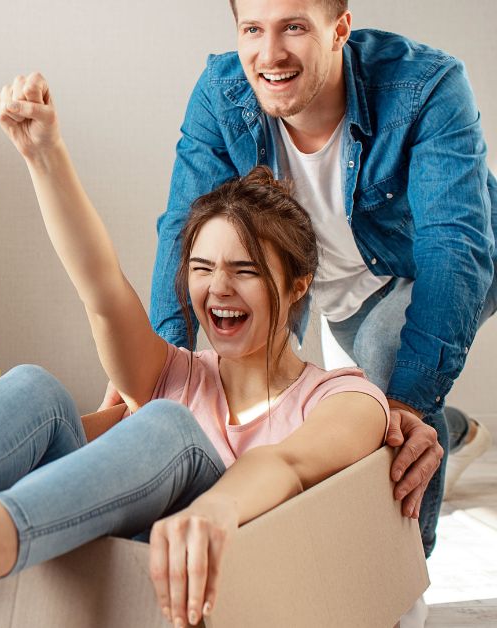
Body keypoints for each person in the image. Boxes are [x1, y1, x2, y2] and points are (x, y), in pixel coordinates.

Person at [0, 73, 391, 628]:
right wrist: (43, 154)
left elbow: (289, 462)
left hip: (213, 587)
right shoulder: (173, 373)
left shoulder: (344, 398)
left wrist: (217, 506)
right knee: (36, 389)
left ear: (297, 285)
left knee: (166, 423)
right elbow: (102, 288)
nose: (217, 288)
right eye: (201, 267)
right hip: (92, 551)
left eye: (244, 270)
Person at [139, 0, 496, 562]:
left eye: (295, 27)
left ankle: (401, 577)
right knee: (292, 390)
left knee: (388, 369)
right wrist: (163, 367)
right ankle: (453, 426)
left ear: (340, 30)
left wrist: (405, 403)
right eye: (252, 29)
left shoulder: (427, 85)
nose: (270, 53)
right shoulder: (222, 93)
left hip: (429, 259)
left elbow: (454, 250)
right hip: (323, 276)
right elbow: (186, 228)